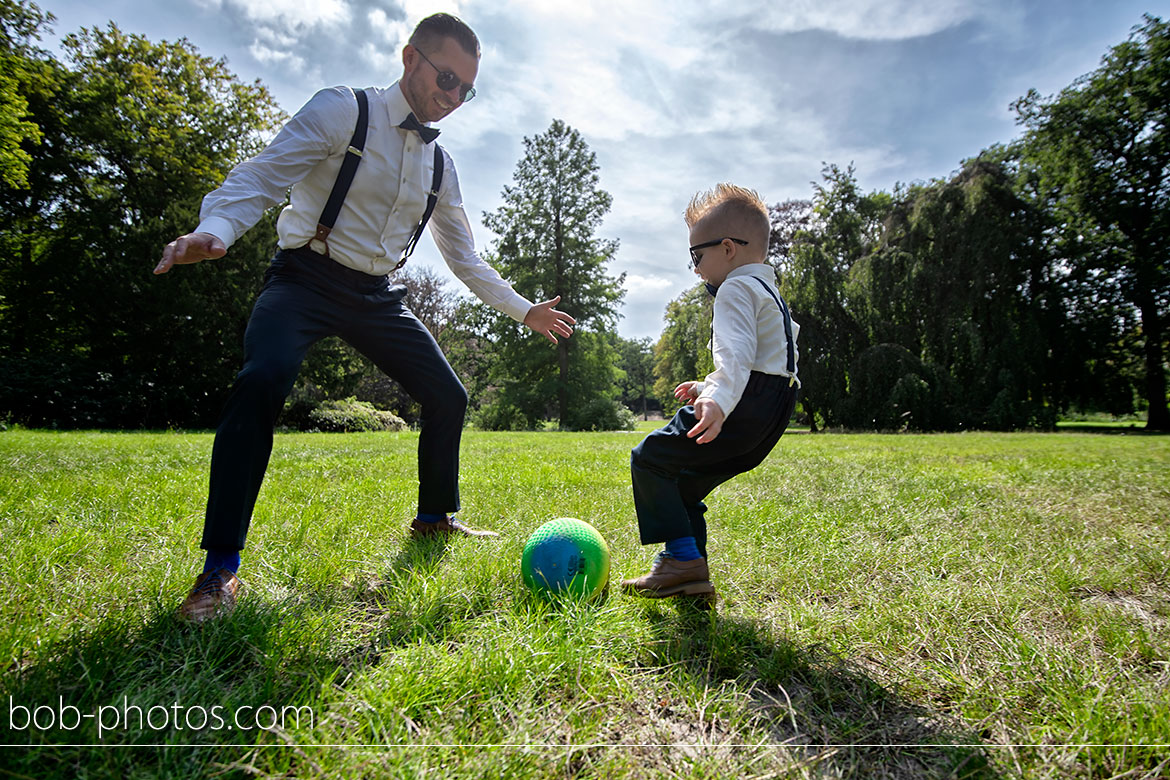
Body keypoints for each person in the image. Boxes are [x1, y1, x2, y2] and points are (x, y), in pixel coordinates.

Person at [156, 13, 576, 622]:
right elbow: (263, 175)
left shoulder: (442, 167)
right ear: (410, 59)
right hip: (305, 276)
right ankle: (219, 571)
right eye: (447, 79)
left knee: (447, 395)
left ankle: (435, 520)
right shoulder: (341, 110)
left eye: (467, 89)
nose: (453, 97)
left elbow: (464, 258)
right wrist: (214, 229)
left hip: (376, 293)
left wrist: (523, 309)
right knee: (261, 381)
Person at [620, 183, 800, 604]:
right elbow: (766, 362)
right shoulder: (770, 293)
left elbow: (734, 354)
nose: (696, 269)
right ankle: (688, 576)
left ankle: (682, 561)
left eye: (696, 257)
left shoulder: (736, 288)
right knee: (682, 483)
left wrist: (716, 398)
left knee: (649, 459)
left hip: (742, 404)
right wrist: (708, 385)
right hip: (771, 412)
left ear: (727, 248)